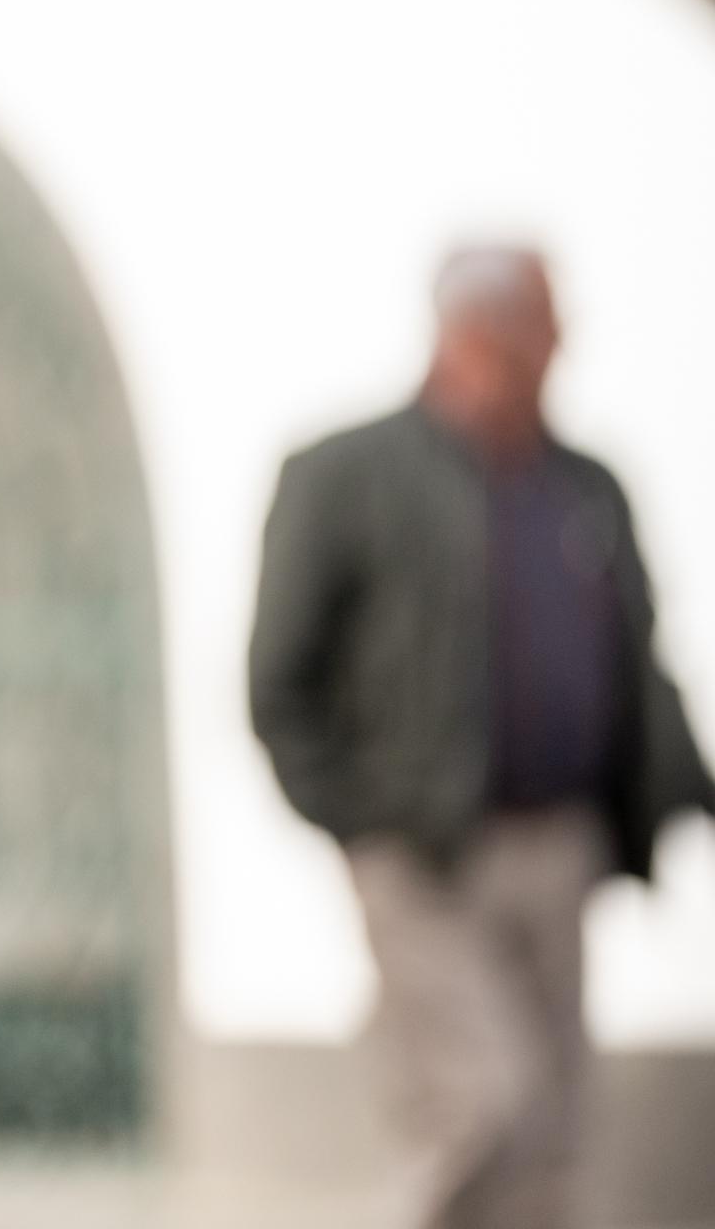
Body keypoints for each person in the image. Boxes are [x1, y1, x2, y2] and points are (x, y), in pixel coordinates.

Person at [252, 246, 715, 1229]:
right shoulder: (351, 472)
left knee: (554, 1137)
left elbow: (637, 663)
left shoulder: (585, 485)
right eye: (544, 323)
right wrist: (366, 823)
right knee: (480, 1106)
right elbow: (277, 681)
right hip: (424, 857)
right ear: (479, 332)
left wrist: (685, 789)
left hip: (560, 849)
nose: (561, 344)